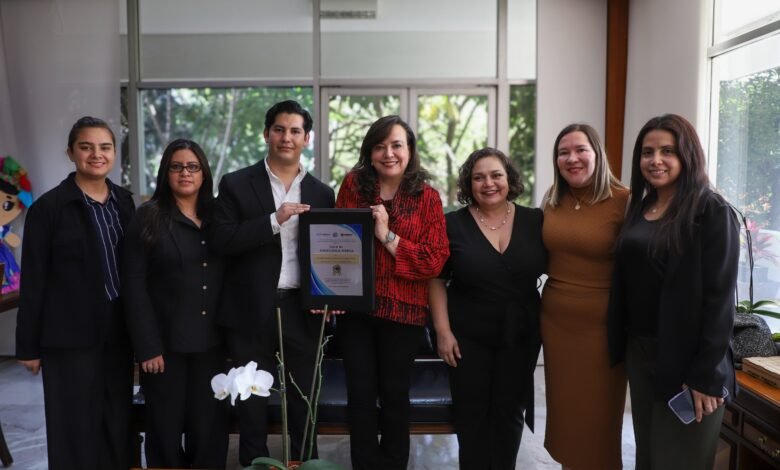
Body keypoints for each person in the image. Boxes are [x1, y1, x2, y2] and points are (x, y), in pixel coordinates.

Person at [607, 114, 738, 469]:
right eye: (647, 152)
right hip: (642, 353)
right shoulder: (641, 207)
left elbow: (720, 301)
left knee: (678, 461)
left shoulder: (712, 211)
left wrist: (705, 376)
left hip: (691, 363)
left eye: (668, 151)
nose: (656, 160)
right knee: (648, 459)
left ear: (687, 155)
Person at [210, 100, 335, 465]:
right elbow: (222, 240)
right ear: (266, 134)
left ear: (307, 138)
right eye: (279, 129)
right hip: (249, 310)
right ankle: (255, 465)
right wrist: (273, 220)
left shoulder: (322, 193)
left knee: (303, 401)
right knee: (251, 404)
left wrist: (332, 296)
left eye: (295, 131)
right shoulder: (235, 184)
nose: (286, 137)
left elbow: (330, 252)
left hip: (303, 308)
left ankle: (305, 464)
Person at [15, 116, 135, 469]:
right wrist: (28, 346)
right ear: (71, 153)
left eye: (105, 147)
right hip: (68, 336)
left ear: (114, 153)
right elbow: (33, 279)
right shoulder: (49, 209)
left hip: (118, 329)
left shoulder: (124, 202)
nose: (96, 154)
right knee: (74, 424)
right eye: (86, 147)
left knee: (116, 419)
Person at [335, 115, 449, 470]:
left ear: (410, 151)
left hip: (404, 315)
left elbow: (434, 261)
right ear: (369, 153)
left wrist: (387, 236)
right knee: (360, 397)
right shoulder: (352, 186)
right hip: (356, 312)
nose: (389, 153)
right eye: (380, 146)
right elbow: (336, 243)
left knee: (395, 398)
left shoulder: (428, 197)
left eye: (397, 145)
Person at [430, 148, 546, 469]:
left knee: (510, 413)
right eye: (478, 177)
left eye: (496, 175)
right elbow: (436, 280)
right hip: (467, 336)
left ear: (510, 178)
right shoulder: (452, 224)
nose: (488, 183)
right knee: (472, 416)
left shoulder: (535, 220)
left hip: (521, 334)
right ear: (469, 184)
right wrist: (442, 332)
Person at [122, 139, 228, 468]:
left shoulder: (219, 217)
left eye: (193, 167)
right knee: (164, 431)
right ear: (165, 172)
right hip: (164, 349)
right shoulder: (147, 217)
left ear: (204, 173)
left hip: (213, 345)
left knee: (209, 431)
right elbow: (133, 286)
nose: (185, 173)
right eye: (177, 167)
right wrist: (147, 347)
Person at [541, 124, 629, 469]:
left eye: (581, 150)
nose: (572, 158)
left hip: (603, 327)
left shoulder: (624, 200)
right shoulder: (552, 198)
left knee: (599, 418)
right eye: (563, 152)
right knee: (566, 416)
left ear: (597, 154)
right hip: (556, 325)